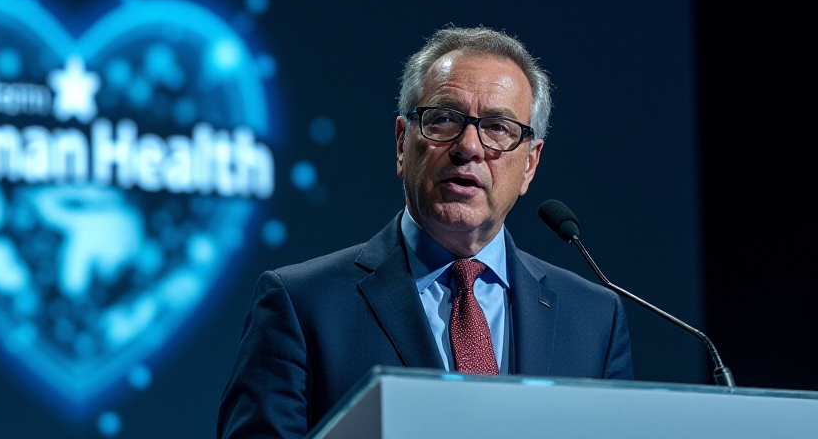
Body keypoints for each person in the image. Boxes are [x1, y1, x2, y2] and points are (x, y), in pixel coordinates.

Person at [217, 27, 633, 439]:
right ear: (402, 144)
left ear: (529, 164)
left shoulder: (595, 319)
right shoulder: (302, 303)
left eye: (498, 128)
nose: (468, 146)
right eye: (443, 119)